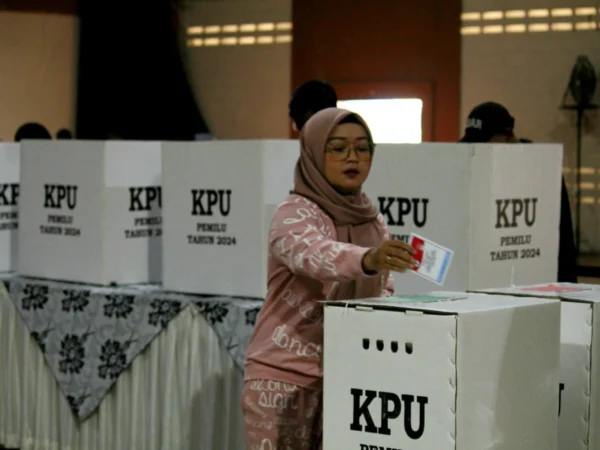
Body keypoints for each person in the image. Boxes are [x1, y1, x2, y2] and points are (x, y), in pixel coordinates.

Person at [242, 108, 417, 449]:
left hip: (346, 378)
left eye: (363, 147)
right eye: (337, 147)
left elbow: (383, 291)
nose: (353, 157)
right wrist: (368, 258)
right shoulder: (293, 212)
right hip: (284, 378)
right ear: (313, 153)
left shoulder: (372, 220)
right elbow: (313, 254)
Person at [460, 102, 578, 282]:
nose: (477, 152)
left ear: (508, 137)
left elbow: (562, 237)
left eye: (484, 144)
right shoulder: (481, 168)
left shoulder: (540, 169)